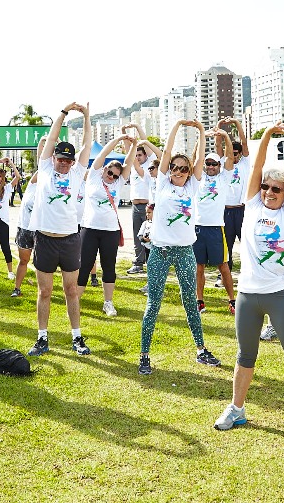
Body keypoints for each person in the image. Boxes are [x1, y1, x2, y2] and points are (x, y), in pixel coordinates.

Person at [213, 122, 284, 444]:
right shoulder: (252, 206)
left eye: (276, 189)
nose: (268, 193)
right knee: (245, 355)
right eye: (266, 187)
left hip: (279, 297)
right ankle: (236, 408)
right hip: (248, 296)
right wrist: (267, 135)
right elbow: (257, 165)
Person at [138, 118, 221, 375]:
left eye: (183, 169)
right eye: (174, 167)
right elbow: (168, 149)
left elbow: (198, 161)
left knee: (190, 301)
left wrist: (200, 131)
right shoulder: (162, 183)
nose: (178, 172)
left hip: (185, 251)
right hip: (160, 252)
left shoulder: (193, 186)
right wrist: (177, 125)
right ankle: (144, 355)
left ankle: (200, 349)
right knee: (154, 303)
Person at [26, 103, 93, 357]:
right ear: (53, 157)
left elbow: (87, 144)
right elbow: (52, 137)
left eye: (68, 160)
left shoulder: (77, 173)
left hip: (69, 240)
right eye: (60, 159)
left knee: (71, 289)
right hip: (44, 239)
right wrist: (63, 114)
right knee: (44, 291)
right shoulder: (44, 169)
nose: (64, 163)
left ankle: (77, 337)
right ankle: (42, 337)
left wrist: (86, 117)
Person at [79, 134, 137, 317]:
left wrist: (133, 145)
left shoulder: (119, 182)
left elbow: (128, 163)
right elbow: (102, 154)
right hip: (89, 228)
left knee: (109, 266)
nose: (111, 177)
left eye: (115, 175)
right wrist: (118, 139)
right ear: (103, 170)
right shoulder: (94, 178)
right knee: (85, 265)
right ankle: (76, 301)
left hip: (110, 231)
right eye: (109, 173)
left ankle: (108, 302)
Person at [195, 127, 237, 314]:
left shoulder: (224, 178)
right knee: (199, 266)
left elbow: (229, 156)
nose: (211, 167)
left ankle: (232, 300)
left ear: (219, 166)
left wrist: (225, 136)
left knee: (223, 266)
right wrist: (201, 136)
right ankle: (200, 301)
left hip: (216, 228)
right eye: (208, 163)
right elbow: (195, 156)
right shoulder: (199, 177)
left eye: (214, 164)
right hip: (197, 227)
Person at [12, 137, 47, 298]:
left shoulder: (50, 189)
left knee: (41, 265)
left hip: (40, 230)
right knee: (23, 260)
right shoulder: (34, 184)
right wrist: (42, 142)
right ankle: (17, 288)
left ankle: (44, 290)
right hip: (25, 228)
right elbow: (42, 162)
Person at [124, 124, 158, 275]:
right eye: (135, 155)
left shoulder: (148, 168)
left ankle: (151, 263)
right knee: (137, 235)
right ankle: (138, 263)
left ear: (145, 156)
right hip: (135, 206)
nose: (137, 157)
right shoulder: (133, 166)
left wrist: (138, 127)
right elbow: (127, 150)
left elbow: (145, 142)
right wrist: (123, 132)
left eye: (140, 155)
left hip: (147, 206)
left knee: (149, 236)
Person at [220, 116, 250, 275]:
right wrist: (219, 126)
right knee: (226, 245)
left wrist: (236, 123)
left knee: (246, 243)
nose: (235, 156)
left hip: (241, 209)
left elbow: (244, 142)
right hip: (225, 211)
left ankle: (248, 272)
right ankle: (225, 274)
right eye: (232, 153)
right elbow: (219, 144)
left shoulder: (245, 163)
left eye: (237, 153)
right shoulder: (224, 164)